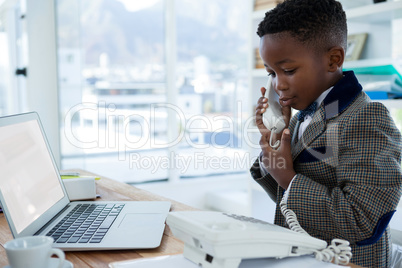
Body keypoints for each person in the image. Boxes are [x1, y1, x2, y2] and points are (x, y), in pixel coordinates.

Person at [249, 0, 402, 267]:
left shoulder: (367, 118)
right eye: (271, 73)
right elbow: (288, 202)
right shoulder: (300, 119)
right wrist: (275, 136)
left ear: (334, 60)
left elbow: (364, 220)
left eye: (288, 71)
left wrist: (288, 177)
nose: (278, 85)